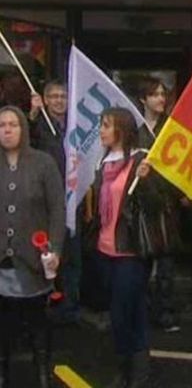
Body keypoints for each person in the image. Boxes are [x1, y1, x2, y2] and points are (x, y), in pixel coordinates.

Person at [86, 107, 161, 388]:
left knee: (123, 311)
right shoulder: (103, 162)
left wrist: (146, 181)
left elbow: (156, 205)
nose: (102, 131)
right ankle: (127, 365)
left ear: (122, 129)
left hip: (130, 252)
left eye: (106, 125)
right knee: (128, 310)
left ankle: (136, 372)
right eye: (101, 125)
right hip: (105, 251)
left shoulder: (140, 159)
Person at [0, 105, 64, 388]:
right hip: (2, 260)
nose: (7, 130)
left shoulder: (43, 162)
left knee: (38, 322)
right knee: (2, 324)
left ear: (23, 128)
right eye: (2, 125)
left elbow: (58, 211)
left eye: (13, 124)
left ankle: (42, 372)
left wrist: (56, 250)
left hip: (35, 260)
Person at [29, 80, 82, 325]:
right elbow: (25, 145)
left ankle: (70, 307)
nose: (59, 100)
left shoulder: (76, 126)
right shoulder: (38, 126)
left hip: (72, 199)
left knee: (72, 257)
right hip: (47, 201)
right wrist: (33, 115)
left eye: (63, 96)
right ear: (46, 100)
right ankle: (48, 304)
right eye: (54, 96)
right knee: (48, 255)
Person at [137, 76, 182, 333]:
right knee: (142, 263)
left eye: (163, 94)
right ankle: (142, 312)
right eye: (155, 94)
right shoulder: (136, 130)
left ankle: (165, 313)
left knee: (166, 265)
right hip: (143, 205)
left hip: (165, 203)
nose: (160, 99)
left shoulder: (170, 129)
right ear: (144, 99)